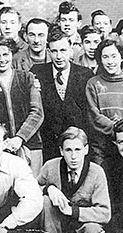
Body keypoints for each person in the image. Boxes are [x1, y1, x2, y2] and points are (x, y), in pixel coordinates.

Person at [37, 127, 111, 233]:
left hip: (82, 226)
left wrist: (73, 211)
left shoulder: (96, 172)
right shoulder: (50, 167)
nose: (73, 156)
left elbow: (105, 213)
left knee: (93, 229)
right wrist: (48, 188)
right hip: (57, 226)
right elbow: (31, 191)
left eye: (78, 149)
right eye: (68, 150)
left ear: (86, 149)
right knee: (45, 201)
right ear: (61, 151)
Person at [0, 36, 45, 176]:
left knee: (31, 187)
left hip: (30, 145)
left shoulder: (27, 78)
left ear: (12, 54)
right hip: (0, 147)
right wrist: (0, 137)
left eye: (5, 54)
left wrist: (20, 138)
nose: (2, 60)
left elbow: (37, 112)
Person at [31, 26, 93, 163]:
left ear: (71, 49)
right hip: (49, 145)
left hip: (76, 146)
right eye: (54, 51)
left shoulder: (85, 74)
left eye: (63, 50)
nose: (59, 56)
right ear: (48, 51)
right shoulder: (37, 72)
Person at [85, 38, 123, 167]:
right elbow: (94, 116)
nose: (110, 61)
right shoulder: (93, 84)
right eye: (105, 57)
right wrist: (117, 130)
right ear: (100, 60)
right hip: (101, 146)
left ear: (121, 58)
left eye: (114, 56)